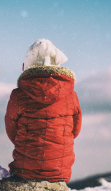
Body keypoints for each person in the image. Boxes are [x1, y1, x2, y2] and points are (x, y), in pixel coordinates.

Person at [5, 39, 82, 183]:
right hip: (60, 171)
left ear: (27, 65)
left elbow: (12, 132)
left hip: (25, 170)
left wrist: (29, 145)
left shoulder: (18, 95)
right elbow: (75, 130)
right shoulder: (71, 95)